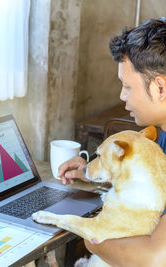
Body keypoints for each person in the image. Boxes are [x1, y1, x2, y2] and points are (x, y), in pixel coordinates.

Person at [58, 17, 166, 266]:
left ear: (160, 88)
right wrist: (97, 170)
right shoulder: (160, 133)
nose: (122, 96)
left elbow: (154, 259)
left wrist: (91, 234)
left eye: (127, 87)